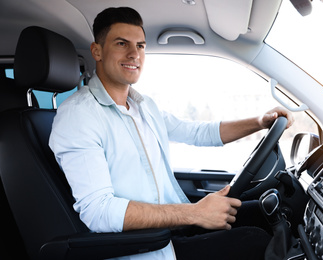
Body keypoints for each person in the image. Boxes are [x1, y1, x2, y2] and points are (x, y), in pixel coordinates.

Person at [49, 7, 294, 260]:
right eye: (122, 44)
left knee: (267, 211)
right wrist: (195, 213)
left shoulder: (144, 107)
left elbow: (199, 132)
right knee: (255, 241)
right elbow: (98, 211)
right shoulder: (78, 116)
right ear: (97, 51)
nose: (134, 54)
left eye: (141, 46)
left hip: (172, 229)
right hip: (143, 247)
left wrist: (259, 122)